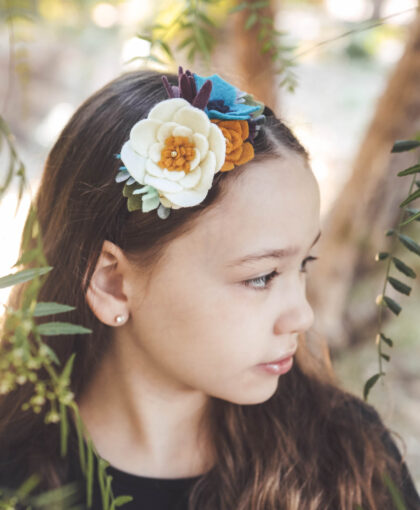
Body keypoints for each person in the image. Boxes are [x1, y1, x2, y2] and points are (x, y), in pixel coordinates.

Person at [0, 66, 419, 510]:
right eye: (260, 276)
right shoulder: (12, 474)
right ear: (112, 282)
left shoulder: (349, 458)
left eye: (304, 264)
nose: (303, 315)